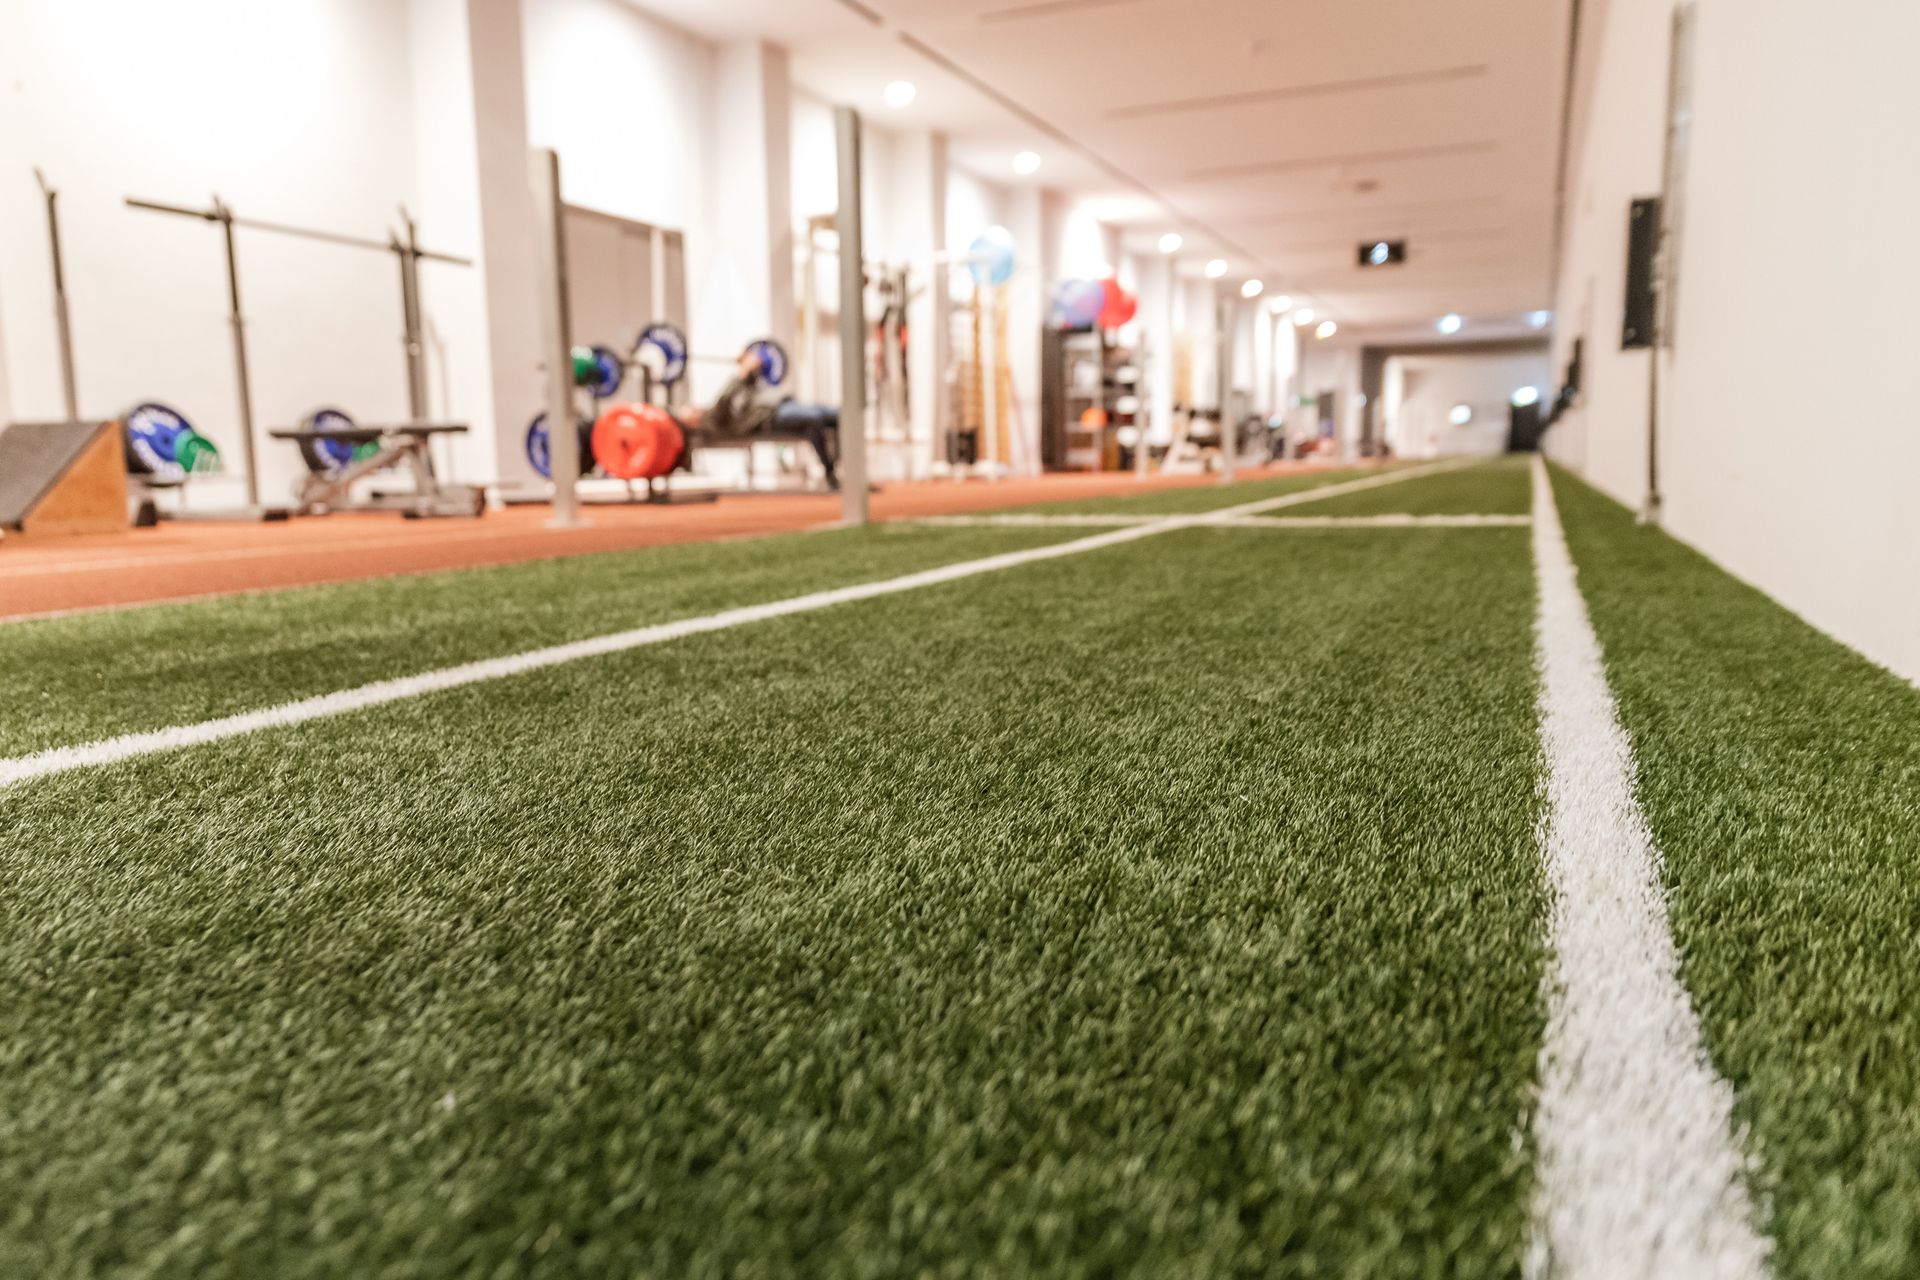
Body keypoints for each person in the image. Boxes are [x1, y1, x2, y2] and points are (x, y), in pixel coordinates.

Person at [679, 350, 840, 490]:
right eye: (690, 410)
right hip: (771, 414)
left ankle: (833, 470)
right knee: (815, 418)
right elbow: (725, 400)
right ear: (692, 422)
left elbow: (747, 385)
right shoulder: (710, 421)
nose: (695, 407)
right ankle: (831, 470)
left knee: (831, 419)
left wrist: (751, 365)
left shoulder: (716, 412)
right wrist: (743, 371)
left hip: (779, 404)